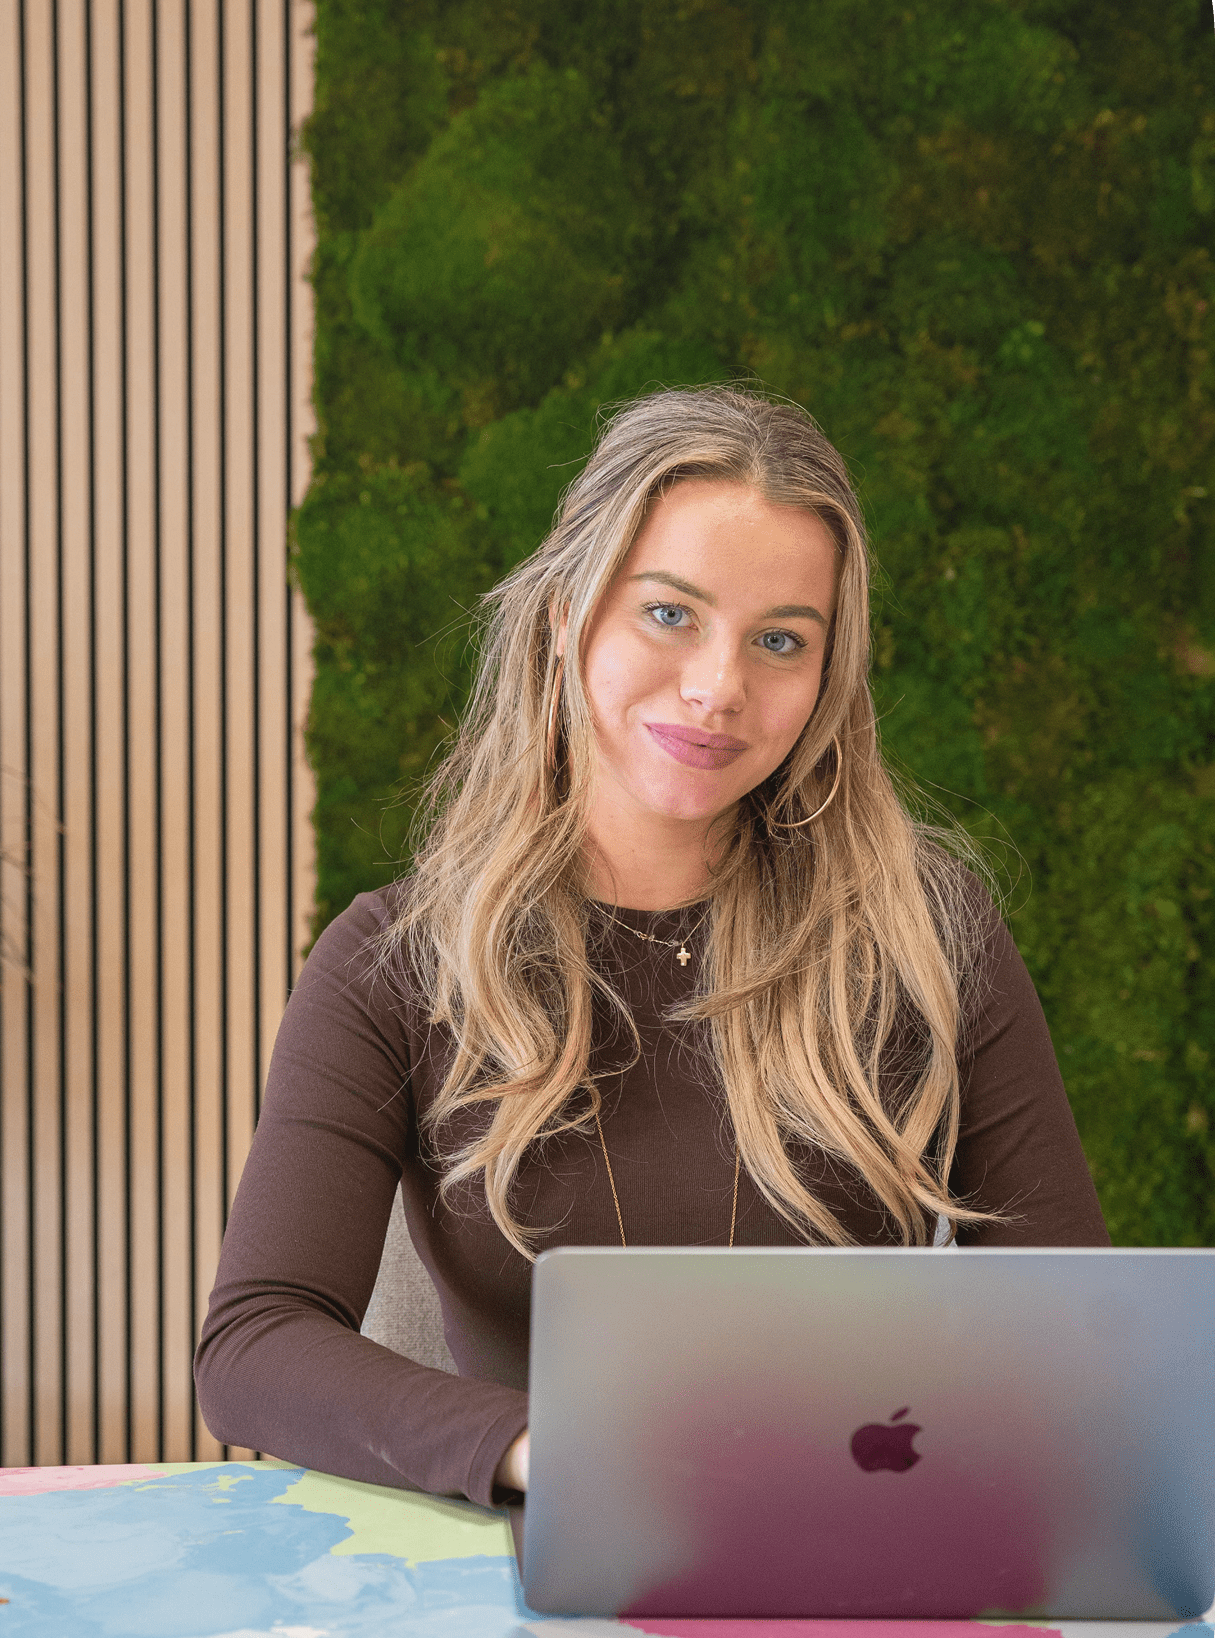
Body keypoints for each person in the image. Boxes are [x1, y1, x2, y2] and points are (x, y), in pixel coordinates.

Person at [194, 387, 1107, 1508]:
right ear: (565, 616)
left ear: (826, 677)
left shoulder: (931, 936)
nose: (719, 687)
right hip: (543, 1554)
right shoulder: (393, 960)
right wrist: (548, 1452)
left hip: (868, 1545)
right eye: (669, 613)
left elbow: (1077, 1336)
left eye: (780, 640)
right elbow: (256, 1343)